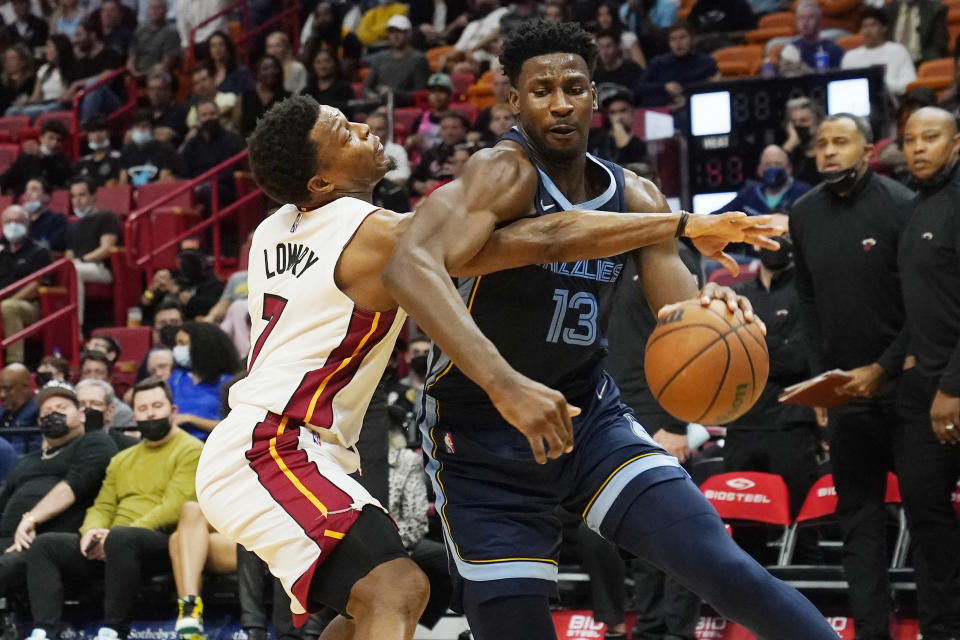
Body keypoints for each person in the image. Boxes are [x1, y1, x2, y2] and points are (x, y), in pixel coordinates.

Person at [194, 91, 780, 640]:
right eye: (344, 132)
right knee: (398, 589)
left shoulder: (275, 227)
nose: (366, 128)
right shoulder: (374, 234)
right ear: (320, 181)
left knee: (373, 604)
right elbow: (541, 239)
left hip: (278, 445)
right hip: (272, 444)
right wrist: (679, 224)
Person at [381, 20, 839, 640]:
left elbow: (679, 315)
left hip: (588, 420)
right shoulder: (500, 173)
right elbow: (407, 263)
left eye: (574, 86)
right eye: (541, 90)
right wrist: (505, 384)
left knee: (726, 568)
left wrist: (717, 317)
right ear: (512, 99)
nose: (561, 102)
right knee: (514, 626)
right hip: (482, 435)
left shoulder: (638, 195)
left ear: (596, 94)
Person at [789, 113, 915, 640]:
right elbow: (808, 303)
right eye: (821, 143)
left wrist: (882, 369)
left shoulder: (902, 206)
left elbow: (926, 305)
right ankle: (871, 634)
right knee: (859, 527)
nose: (828, 151)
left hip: (908, 388)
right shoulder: (803, 213)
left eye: (840, 141)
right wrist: (824, 383)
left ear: (867, 149)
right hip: (845, 396)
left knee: (930, 521)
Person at [25, 377, 203, 640]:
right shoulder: (122, 458)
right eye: (142, 409)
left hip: (161, 541)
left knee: (122, 537)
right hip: (112, 544)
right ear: (134, 415)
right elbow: (103, 505)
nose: (150, 413)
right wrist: (92, 532)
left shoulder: (191, 450)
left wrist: (113, 535)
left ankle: (114, 630)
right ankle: (43, 630)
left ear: (173, 411)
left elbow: (174, 507)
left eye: (157, 406)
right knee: (45, 545)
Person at [896, 106, 960, 640]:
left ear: (956, 143)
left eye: (931, 137)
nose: (918, 147)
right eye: (910, 138)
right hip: (923, 388)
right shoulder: (916, 207)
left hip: (954, 387)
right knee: (924, 513)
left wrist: (952, 387)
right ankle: (940, 629)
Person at [725, 214, 820, 562]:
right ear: (752, 241)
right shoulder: (735, 294)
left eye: (783, 236)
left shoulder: (807, 292)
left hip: (791, 426)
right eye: (768, 235)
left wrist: (748, 344)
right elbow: (723, 359)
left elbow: (802, 359)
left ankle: (811, 609)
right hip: (740, 425)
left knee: (803, 530)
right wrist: (771, 344)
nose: (776, 243)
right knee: (744, 532)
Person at [0, 382, 116, 596]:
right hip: (8, 539)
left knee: (6, 567)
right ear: (38, 421)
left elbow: (73, 485)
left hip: (48, 541)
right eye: (46, 412)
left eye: (62, 408)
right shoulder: (28, 460)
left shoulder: (94, 442)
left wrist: (31, 519)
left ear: (82, 414)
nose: (53, 414)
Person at [168, 501, 236, 639]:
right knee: (191, 509)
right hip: (231, 531)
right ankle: (190, 608)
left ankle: (189, 616)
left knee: (178, 541)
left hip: (264, 540)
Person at [168, 320, 238, 440]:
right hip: (177, 443)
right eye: (176, 344)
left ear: (200, 347)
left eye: (182, 344)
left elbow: (235, 426)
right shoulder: (176, 377)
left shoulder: (228, 383)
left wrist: (190, 419)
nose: (177, 349)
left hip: (213, 443)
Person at [65, 176, 120, 329]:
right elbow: (69, 254)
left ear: (94, 195)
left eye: (82, 195)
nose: (77, 200)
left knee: (74, 270)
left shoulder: (106, 217)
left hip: (101, 269)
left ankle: (77, 326)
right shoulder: (72, 226)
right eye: (73, 196)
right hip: (80, 266)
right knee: (64, 270)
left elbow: (106, 249)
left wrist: (81, 260)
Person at [0, 205, 51, 364]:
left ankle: (14, 363)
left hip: (30, 306)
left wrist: (8, 300)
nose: (13, 225)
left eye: (18, 221)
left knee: (8, 307)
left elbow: (37, 285)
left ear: (27, 225)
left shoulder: (39, 251)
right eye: (8, 221)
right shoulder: (2, 253)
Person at [714, 145, 811, 217]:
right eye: (768, 165)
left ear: (789, 168)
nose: (773, 168)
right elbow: (721, 215)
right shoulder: (750, 193)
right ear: (760, 170)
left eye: (778, 164)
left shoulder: (803, 192)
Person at [639, 22, 718, 110]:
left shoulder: (706, 63)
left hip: (697, 107)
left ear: (693, 39)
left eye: (682, 37)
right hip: (664, 107)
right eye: (673, 39)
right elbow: (641, 87)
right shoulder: (658, 63)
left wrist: (688, 99)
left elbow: (712, 89)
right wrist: (664, 87)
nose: (677, 43)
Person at [842, 9, 916, 100]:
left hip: (891, 101)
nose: (868, 30)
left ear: (884, 28)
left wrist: (881, 85)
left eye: (873, 25)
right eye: (865, 26)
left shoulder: (898, 51)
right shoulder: (850, 57)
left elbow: (910, 83)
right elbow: (844, 87)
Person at [362, 14, 430, 105]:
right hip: (378, 104)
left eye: (399, 31)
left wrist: (393, 93)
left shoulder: (418, 59)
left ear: (408, 33)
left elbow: (420, 93)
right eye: (391, 32)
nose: (395, 36)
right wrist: (371, 95)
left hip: (403, 106)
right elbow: (367, 87)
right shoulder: (380, 57)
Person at [7, 35, 75, 121]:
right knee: (12, 111)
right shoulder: (43, 70)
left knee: (51, 109)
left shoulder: (72, 68)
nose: (46, 50)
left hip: (60, 104)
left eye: (49, 46)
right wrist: (25, 101)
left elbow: (71, 93)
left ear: (59, 49)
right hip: (43, 104)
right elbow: (35, 97)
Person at [0, 120, 71, 197]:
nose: (54, 143)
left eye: (59, 140)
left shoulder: (63, 161)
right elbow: (7, 178)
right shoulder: (26, 157)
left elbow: (60, 180)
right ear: (41, 137)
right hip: (23, 199)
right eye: (50, 138)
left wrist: (42, 157)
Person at [408, 111, 469, 197]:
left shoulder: (473, 152)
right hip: (434, 199)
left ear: (464, 130)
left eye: (454, 128)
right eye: (445, 128)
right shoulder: (431, 154)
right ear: (440, 131)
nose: (449, 133)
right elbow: (412, 180)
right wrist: (422, 186)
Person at [778, 1, 845, 76]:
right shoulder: (790, 48)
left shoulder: (833, 50)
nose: (805, 23)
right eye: (801, 18)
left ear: (819, 21)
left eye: (810, 17)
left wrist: (808, 72)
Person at [118, 110, 180, 186]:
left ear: (153, 129)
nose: (140, 130)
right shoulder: (126, 150)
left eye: (144, 126)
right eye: (137, 126)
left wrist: (142, 193)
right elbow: (122, 182)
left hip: (156, 193)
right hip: (132, 194)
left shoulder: (166, 149)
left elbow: (164, 180)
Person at [590, 84, 646, 166]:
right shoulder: (594, 136)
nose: (618, 117)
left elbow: (626, 150)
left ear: (632, 113)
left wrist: (617, 124)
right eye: (613, 112)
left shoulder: (638, 145)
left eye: (623, 111)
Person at [238, 56, 290, 138]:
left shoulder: (288, 97)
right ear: (258, 73)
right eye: (265, 68)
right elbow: (238, 126)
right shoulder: (247, 96)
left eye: (274, 67)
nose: (271, 71)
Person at [76, 378, 137, 445]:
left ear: (110, 411)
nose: (87, 408)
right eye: (81, 404)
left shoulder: (128, 445)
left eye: (95, 404)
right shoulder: (64, 443)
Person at [885, 0, 947, 65]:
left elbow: (938, 45)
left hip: (921, 63)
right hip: (892, 63)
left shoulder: (936, 8)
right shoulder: (887, 10)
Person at [127, 0, 180, 75]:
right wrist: (132, 72)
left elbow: (166, 63)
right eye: (152, 8)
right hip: (136, 74)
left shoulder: (171, 31)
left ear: (165, 10)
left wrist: (143, 75)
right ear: (147, 10)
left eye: (158, 8)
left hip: (158, 75)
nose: (154, 11)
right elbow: (131, 57)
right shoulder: (140, 29)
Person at [407, 73, 455, 154]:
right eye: (433, 91)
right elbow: (407, 144)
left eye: (441, 91)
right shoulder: (420, 119)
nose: (437, 95)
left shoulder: (456, 120)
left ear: (450, 95)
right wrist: (412, 140)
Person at [300, 47, 353, 119]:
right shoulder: (306, 92)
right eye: (318, 62)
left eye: (327, 61)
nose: (323, 66)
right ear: (313, 66)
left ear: (335, 64)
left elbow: (348, 115)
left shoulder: (344, 88)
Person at [782, 97, 824, 187]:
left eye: (803, 120)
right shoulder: (791, 155)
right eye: (793, 122)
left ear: (818, 123)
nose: (798, 125)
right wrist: (788, 146)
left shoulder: (827, 153)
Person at [73, 117, 123, 188]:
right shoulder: (82, 162)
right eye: (93, 131)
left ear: (109, 133)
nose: (97, 135)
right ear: (88, 137)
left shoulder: (119, 158)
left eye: (101, 130)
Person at [592, 30, 642, 101]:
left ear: (617, 47)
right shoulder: (595, 73)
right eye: (601, 47)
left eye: (608, 46)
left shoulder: (632, 69)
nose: (604, 52)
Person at [185, 63, 238, 129]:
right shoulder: (193, 111)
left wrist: (200, 121)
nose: (201, 86)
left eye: (204, 80)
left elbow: (223, 112)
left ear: (213, 79)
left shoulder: (228, 97)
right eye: (196, 83)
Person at [204, 30, 253, 96]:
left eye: (221, 45)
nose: (217, 49)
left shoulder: (241, 72)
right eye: (213, 46)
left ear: (228, 48)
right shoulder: (206, 73)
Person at [366, 112, 410, 185]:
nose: (373, 133)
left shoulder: (398, 151)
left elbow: (401, 180)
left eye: (379, 129)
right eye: (369, 129)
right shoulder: (355, 151)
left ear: (387, 131)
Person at [146, 70, 188, 145]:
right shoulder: (145, 114)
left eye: (159, 89)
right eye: (151, 89)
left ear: (168, 90)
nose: (155, 93)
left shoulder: (181, 113)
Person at [0, 44, 37, 115]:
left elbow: (33, 99)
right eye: (6, 59)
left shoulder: (31, 80)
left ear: (23, 62)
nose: (7, 62)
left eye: (12, 58)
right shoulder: (1, 82)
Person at [0, 363, 37, 430]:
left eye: (8, 388)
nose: (2, 395)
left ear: (25, 388)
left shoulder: (38, 414)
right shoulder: (1, 412)